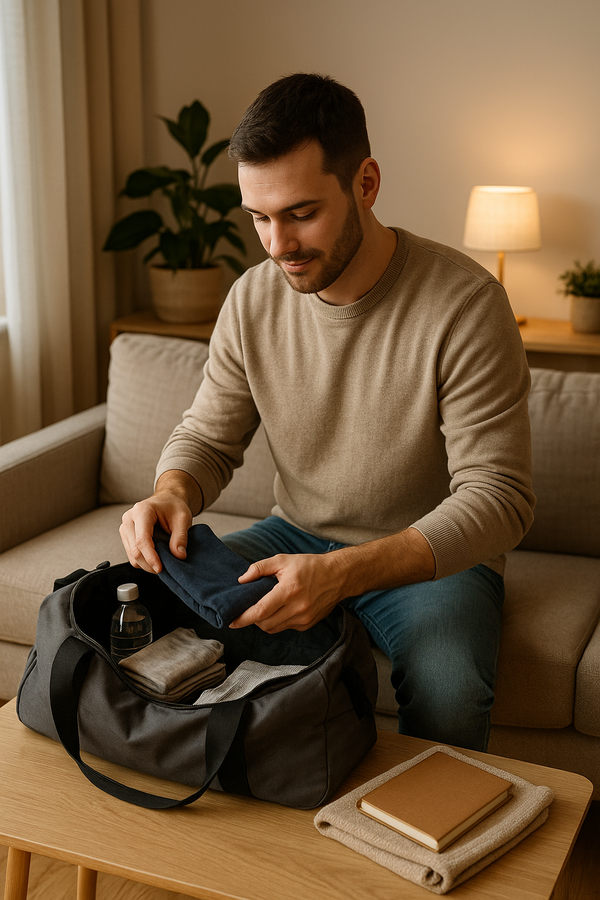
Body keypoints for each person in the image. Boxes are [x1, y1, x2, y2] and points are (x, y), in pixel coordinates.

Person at [120, 73, 535, 752]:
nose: (277, 244)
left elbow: (499, 499)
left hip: (430, 557)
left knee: (449, 687)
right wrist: (171, 492)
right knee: (144, 606)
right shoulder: (252, 300)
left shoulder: (466, 305)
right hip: (295, 534)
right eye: (259, 217)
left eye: (301, 212)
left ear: (365, 184)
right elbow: (208, 437)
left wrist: (345, 573)